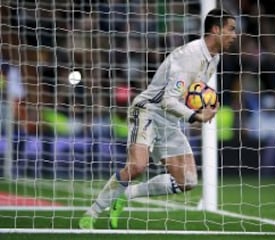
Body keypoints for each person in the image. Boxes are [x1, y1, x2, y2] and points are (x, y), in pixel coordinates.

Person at [79, 8, 236, 229]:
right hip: (149, 110)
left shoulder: (214, 58)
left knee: (187, 181)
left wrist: (208, 101)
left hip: (169, 119)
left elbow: (193, 90)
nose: (235, 35)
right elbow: (167, 101)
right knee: (137, 167)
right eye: (231, 29)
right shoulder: (190, 56)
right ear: (216, 29)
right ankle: (91, 214)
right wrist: (196, 116)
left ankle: (126, 195)